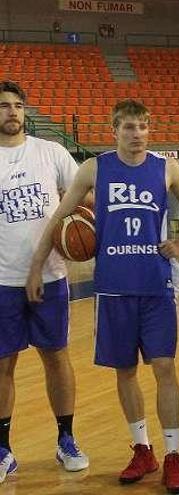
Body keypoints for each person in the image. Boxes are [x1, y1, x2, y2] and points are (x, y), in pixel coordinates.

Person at [26, 99, 179, 493]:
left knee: (164, 368)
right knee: (125, 372)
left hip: (156, 286)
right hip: (113, 287)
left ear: (149, 128)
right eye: (128, 127)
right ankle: (143, 449)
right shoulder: (94, 168)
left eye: (142, 126)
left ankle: (173, 455)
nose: (136, 134)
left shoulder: (166, 167)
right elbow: (58, 219)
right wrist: (37, 266)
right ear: (114, 129)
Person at [0, 80, 89, 483]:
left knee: (56, 356)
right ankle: (3, 449)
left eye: (17, 105)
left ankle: (66, 439)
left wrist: (93, 225)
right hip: (2, 279)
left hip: (51, 276)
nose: (12, 112)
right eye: (3, 106)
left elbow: (84, 194)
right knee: (3, 364)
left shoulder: (50, 151)